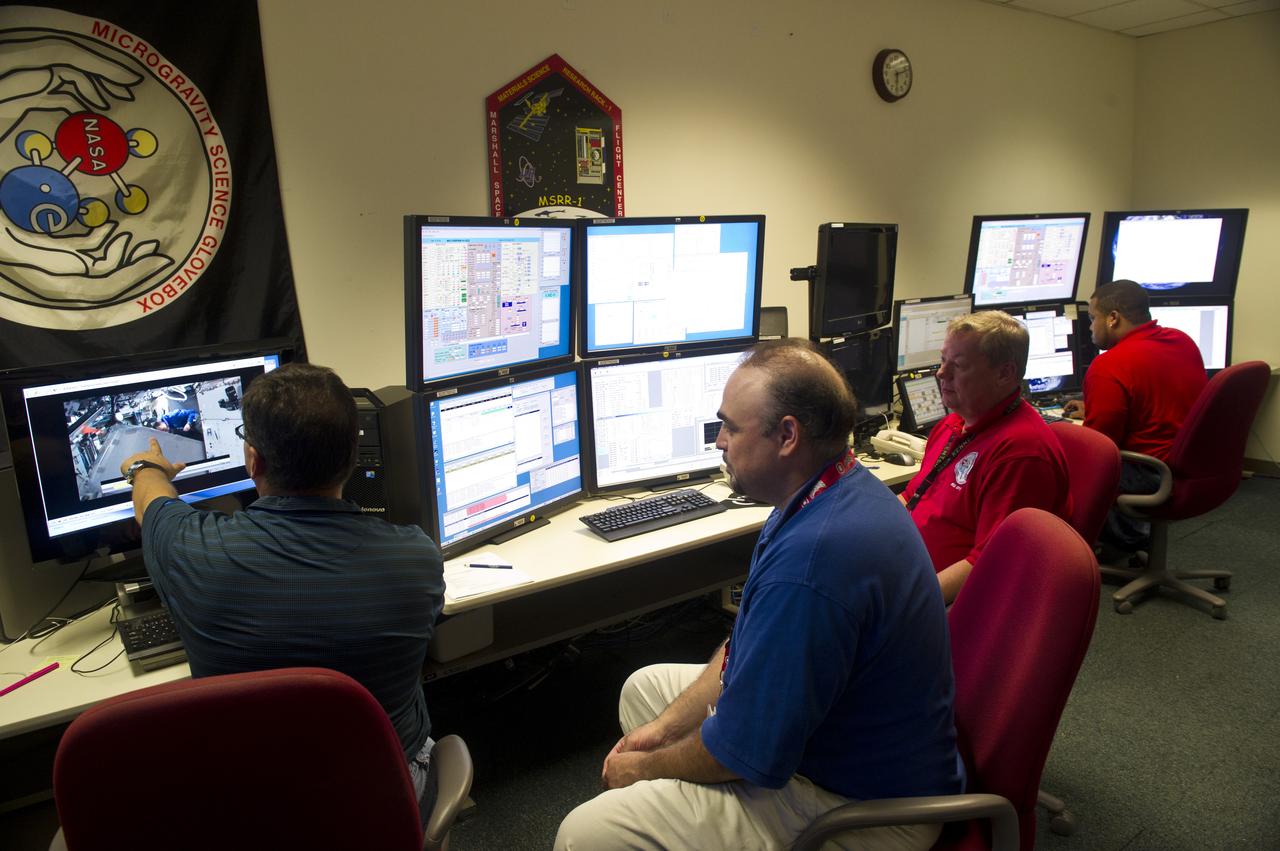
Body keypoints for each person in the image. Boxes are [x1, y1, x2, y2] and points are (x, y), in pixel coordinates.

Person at [555, 339, 963, 851]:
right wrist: (664, 735)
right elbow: (746, 643)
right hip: (837, 739)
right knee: (646, 691)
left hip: (863, 807)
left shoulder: (815, 562)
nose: (719, 440)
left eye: (730, 426)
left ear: (787, 435)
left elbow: (742, 750)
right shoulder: (828, 491)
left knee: (588, 833)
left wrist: (641, 770)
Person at [118, 363, 445, 825]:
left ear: (254, 461)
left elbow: (152, 500)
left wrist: (145, 464)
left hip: (252, 808)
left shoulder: (191, 550)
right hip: (383, 799)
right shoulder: (418, 557)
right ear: (352, 456)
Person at [900, 311, 1070, 604]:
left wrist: (907, 603)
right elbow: (912, 496)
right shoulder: (953, 424)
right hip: (906, 567)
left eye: (958, 365)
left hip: (945, 602)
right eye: (943, 360)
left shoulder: (1020, 455)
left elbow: (991, 565)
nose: (941, 373)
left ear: (1004, 373)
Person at [1063, 279, 1206, 549]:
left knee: (1059, 460)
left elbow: (1099, 447)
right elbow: (1158, 401)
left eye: (1093, 318)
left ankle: (1086, 546)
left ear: (1113, 318)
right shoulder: (1181, 341)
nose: (1091, 327)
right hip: (1192, 464)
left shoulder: (1109, 365)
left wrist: (1061, 433)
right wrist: (1095, 406)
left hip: (1150, 472)